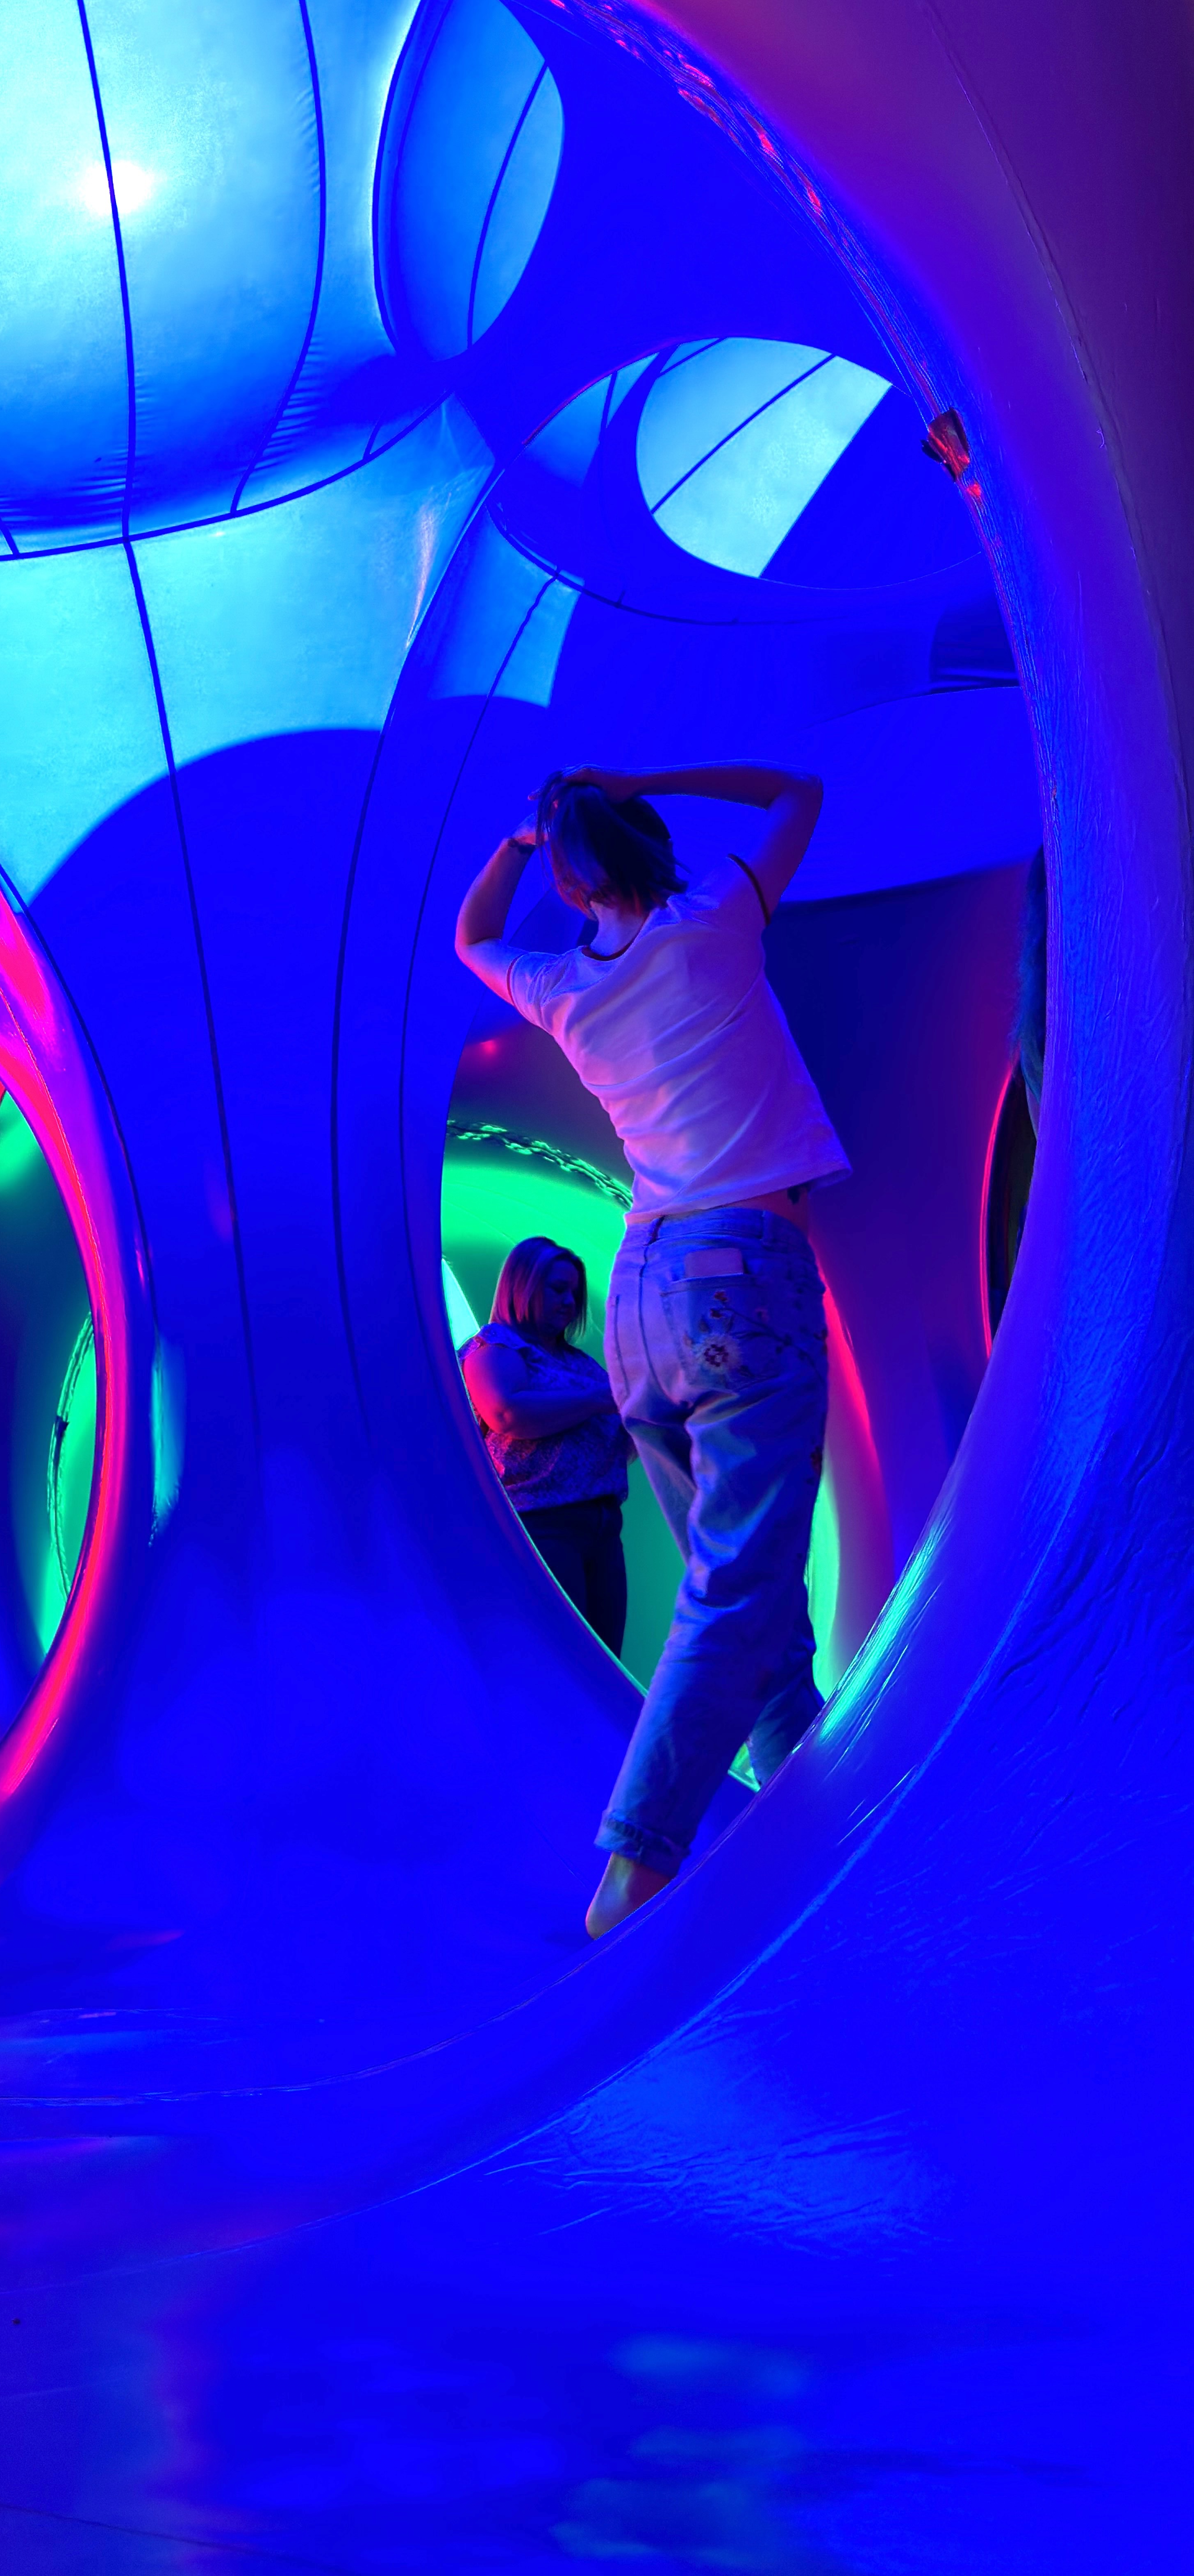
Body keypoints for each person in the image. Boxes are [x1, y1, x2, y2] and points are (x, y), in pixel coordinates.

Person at [456, 763, 847, 1939]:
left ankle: (809, 1826)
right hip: (740, 1267)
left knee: (752, 1595)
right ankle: (637, 1860)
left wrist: (525, 837)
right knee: (739, 1582)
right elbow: (799, 794)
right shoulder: (714, 916)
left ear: (574, 877)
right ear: (652, 839)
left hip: (639, 1293)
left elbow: (472, 933)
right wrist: (654, 776)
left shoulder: (567, 984)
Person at [461, 1236, 631, 1654]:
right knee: (563, 1657)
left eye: (574, 1292)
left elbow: (613, 1443)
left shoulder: (580, 1362)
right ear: (524, 1285)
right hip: (542, 1523)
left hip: (603, 1525)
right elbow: (506, 1413)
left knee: (606, 1660)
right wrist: (598, 1400)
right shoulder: (494, 1348)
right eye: (558, 1289)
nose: (570, 1302)